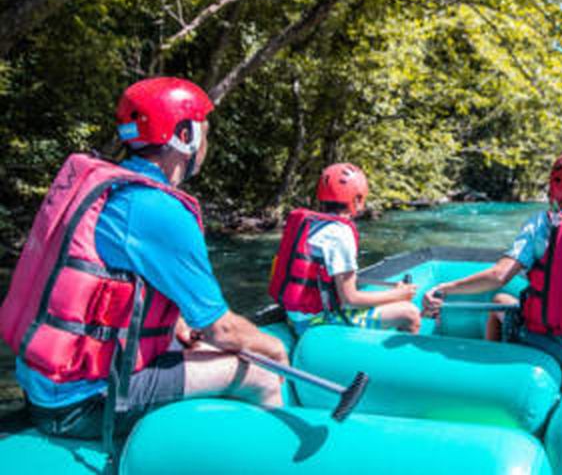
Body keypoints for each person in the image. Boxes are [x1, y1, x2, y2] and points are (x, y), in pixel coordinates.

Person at [0, 77, 287, 448]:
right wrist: (274, 349)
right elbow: (223, 330)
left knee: (200, 347)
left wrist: (177, 324)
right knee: (261, 374)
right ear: (184, 135)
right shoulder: (158, 209)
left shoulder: (108, 188)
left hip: (44, 384)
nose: (206, 144)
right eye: (204, 131)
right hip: (81, 402)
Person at [424, 150, 562, 380]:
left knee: (500, 302)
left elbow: (499, 276)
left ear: (554, 186)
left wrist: (444, 288)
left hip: (541, 342)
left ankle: (493, 374)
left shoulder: (541, 223)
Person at [269, 163, 421, 335]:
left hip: (294, 316)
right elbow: (350, 300)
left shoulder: (311, 224)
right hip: (315, 322)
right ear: (357, 199)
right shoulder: (340, 233)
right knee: (410, 313)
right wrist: (399, 294)